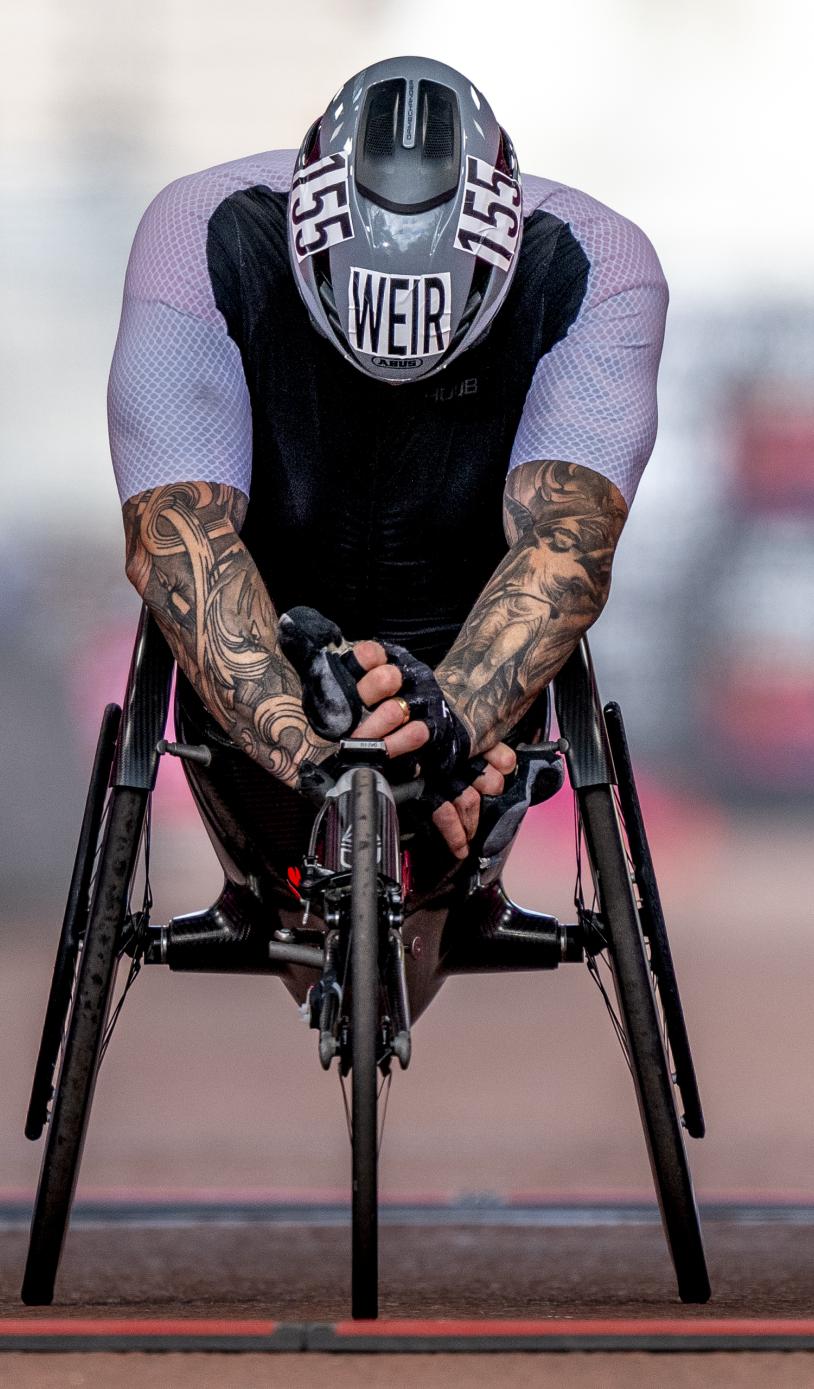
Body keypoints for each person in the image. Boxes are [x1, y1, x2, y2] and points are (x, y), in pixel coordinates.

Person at [110, 55, 667, 894]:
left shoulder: (598, 264)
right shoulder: (201, 233)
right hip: (274, 660)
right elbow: (175, 535)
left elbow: (569, 539)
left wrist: (446, 722)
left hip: (470, 687)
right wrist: (317, 752)